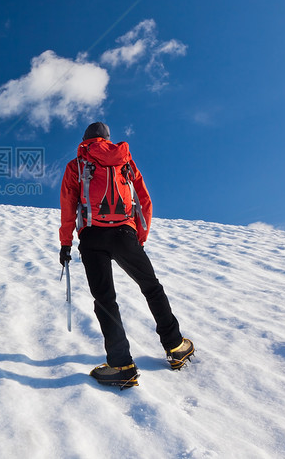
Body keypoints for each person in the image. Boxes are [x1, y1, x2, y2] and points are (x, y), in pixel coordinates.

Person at [59, 122, 194, 388]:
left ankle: (121, 364)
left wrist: (66, 243)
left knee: (105, 299)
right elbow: (144, 200)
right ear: (107, 139)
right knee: (151, 288)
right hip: (125, 234)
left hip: (92, 236)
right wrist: (139, 237)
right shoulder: (125, 161)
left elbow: (68, 204)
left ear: (85, 139)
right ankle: (176, 346)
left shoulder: (77, 164)